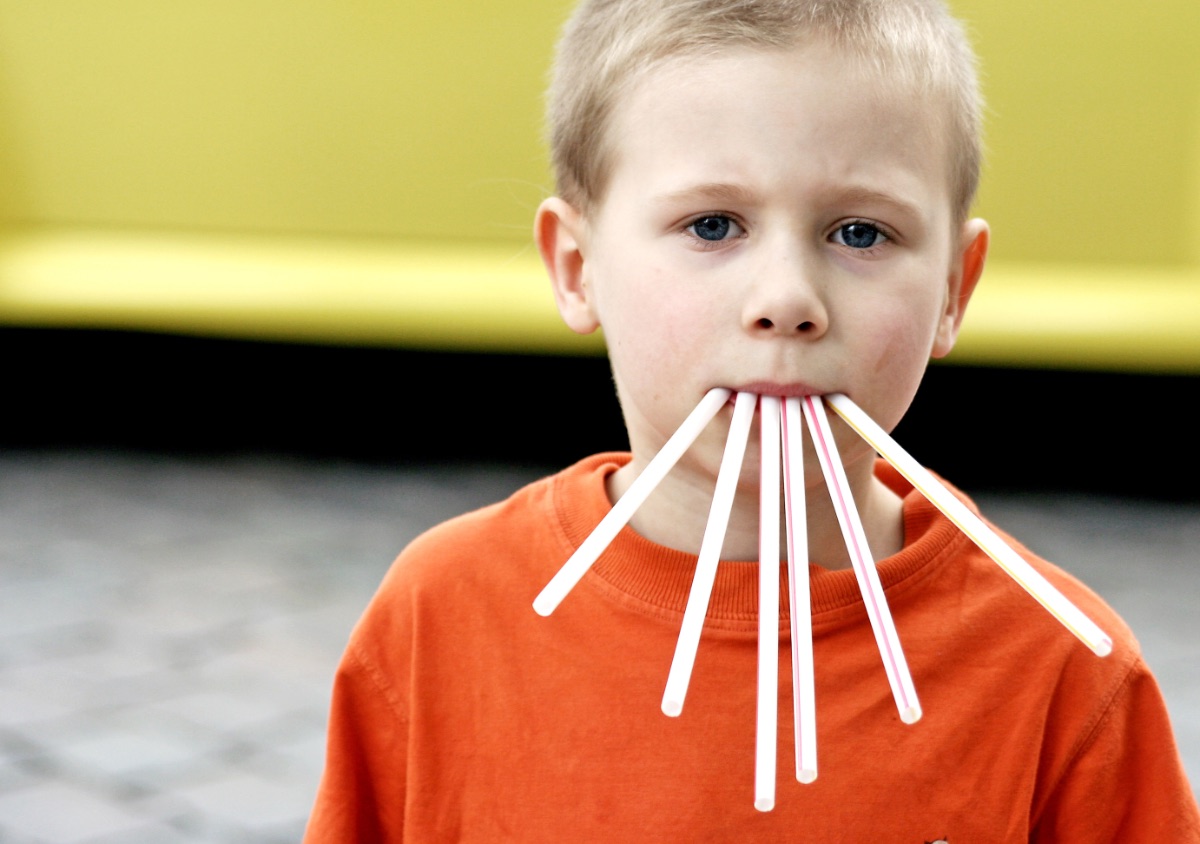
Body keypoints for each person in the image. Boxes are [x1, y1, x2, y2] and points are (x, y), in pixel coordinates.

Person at [303, 0, 1200, 839]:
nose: (786, 301)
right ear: (578, 267)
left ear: (953, 292)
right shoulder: (441, 618)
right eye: (713, 225)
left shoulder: (1059, 671)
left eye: (860, 233)